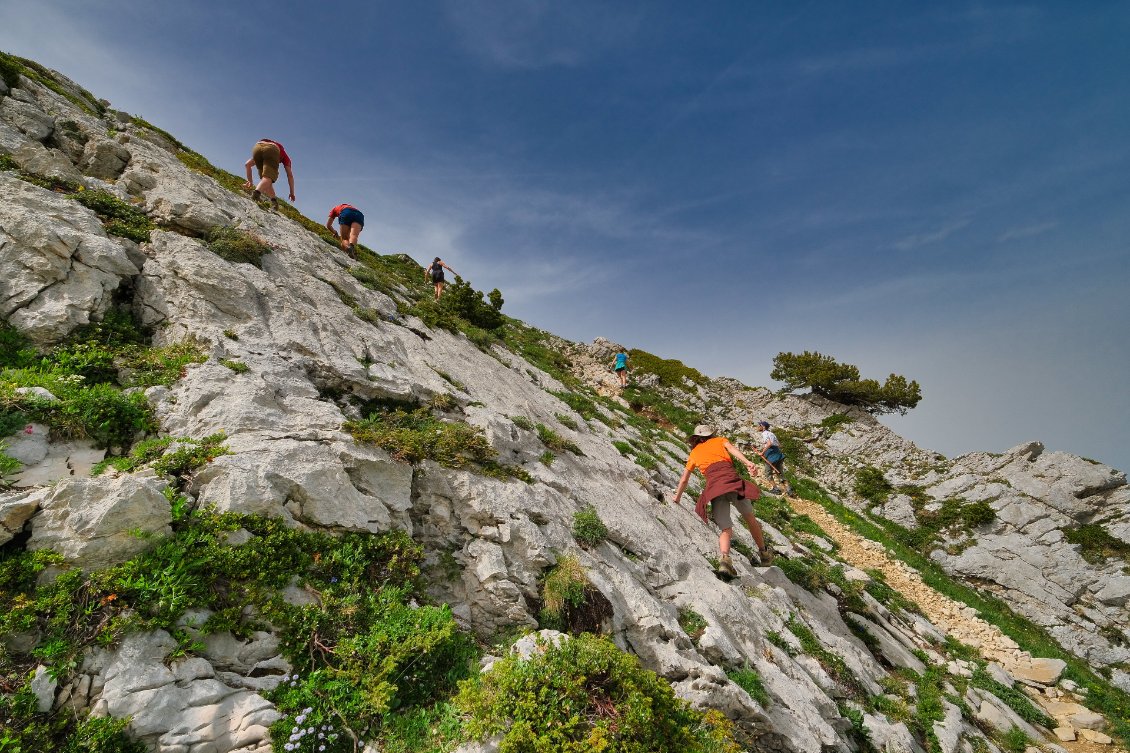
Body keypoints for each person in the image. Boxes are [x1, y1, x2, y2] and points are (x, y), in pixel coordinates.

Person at [672, 425, 773, 576]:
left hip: (715, 489)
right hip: (732, 482)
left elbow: (684, 479)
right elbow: (732, 449)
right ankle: (764, 554)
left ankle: (725, 560)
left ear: (696, 439)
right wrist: (748, 463)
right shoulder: (720, 441)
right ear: (711, 435)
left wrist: (677, 498)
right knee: (750, 518)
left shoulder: (694, 453)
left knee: (726, 528)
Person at [243, 139, 295, 210]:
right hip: (272, 149)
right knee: (268, 178)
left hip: (257, 146)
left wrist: (250, 181)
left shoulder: (269, 145)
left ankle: (274, 202)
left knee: (265, 180)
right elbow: (290, 175)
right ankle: (255, 195)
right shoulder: (285, 157)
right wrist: (292, 193)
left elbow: (247, 164)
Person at [756, 420, 792, 496]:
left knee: (767, 473)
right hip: (778, 454)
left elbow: (769, 443)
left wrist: (762, 453)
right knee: (779, 472)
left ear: (763, 427)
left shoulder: (765, 433)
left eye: (759, 425)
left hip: (771, 455)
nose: (757, 427)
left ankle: (776, 489)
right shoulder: (772, 433)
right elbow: (779, 445)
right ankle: (789, 489)